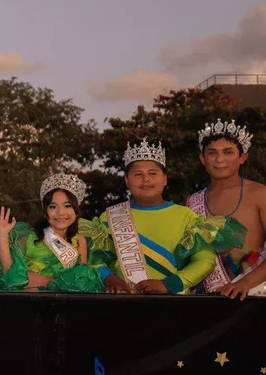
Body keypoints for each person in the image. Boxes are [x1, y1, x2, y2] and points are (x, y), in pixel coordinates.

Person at [80, 139, 246, 294]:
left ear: (165, 179)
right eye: (138, 174)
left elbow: (205, 261)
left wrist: (168, 285)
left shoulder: (186, 216)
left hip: (173, 305)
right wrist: (109, 277)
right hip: (122, 303)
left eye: (153, 173)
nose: (146, 179)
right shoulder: (109, 217)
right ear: (127, 181)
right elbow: (94, 258)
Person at [187, 119, 265, 298]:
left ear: (242, 157)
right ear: (202, 159)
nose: (219, 159)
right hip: (205, 299)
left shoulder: (260, 194)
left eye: (228, 152)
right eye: (212, 153)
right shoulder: (193, 202)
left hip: (252, 297)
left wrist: (246, 282)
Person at [0, 174, 104, 292]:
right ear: (45, 213)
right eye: (53, 207)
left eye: (67, 206)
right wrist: (2, 235)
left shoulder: (80, 241)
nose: (61, 213)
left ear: (76, 212)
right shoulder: (29, 238)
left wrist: (44, 280)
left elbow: (82, 281)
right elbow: (9, 272)